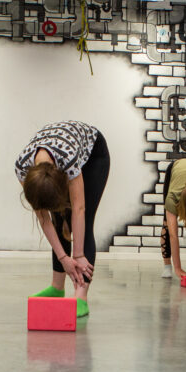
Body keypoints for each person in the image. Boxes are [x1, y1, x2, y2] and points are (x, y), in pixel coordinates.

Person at [15, 121, 110, 317]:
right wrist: (63, 258)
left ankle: (81, 296)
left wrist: (77, 255)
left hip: (93, 154)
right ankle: (57, 288)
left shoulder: (69, 160)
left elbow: (79, 208)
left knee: (85, 219)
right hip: (60, 151)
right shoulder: (22, 168)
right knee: (58, 221)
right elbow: (43, 217)